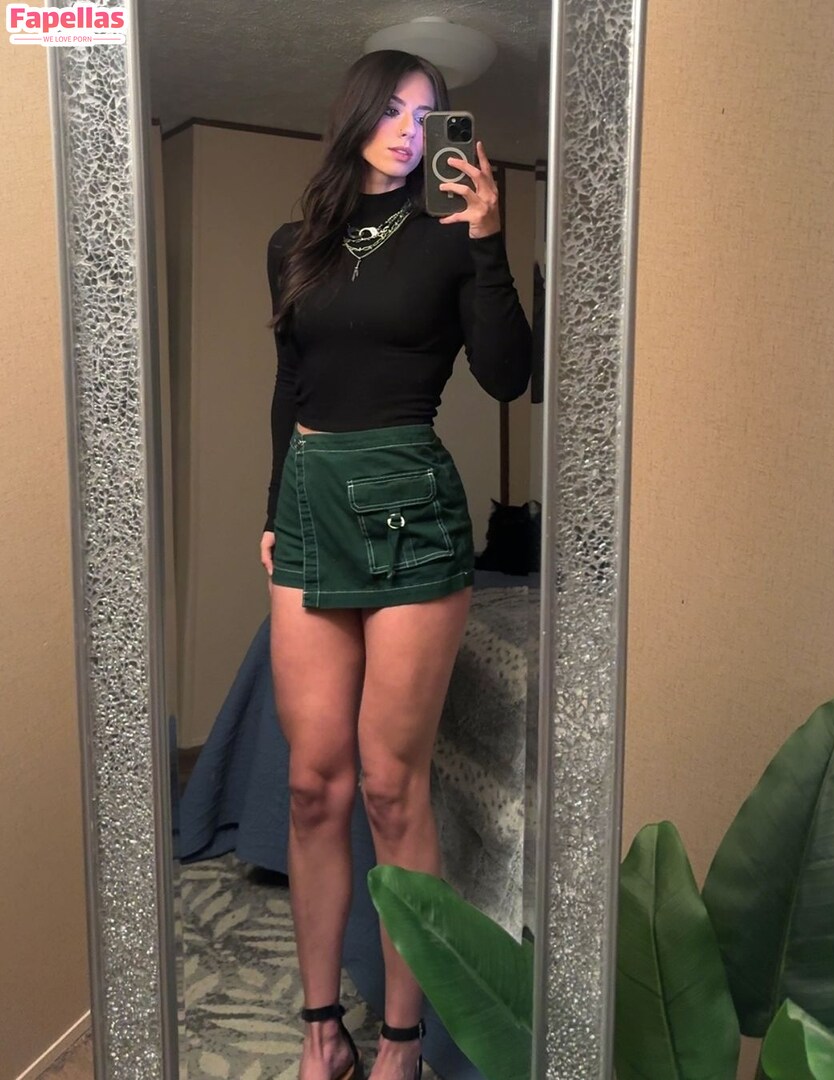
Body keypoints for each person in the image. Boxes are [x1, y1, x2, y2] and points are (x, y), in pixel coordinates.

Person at [260, 49, 532, 1080]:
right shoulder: (294, 244)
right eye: (395, 110)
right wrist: (273, 509)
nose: (412, 132)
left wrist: (490, 243)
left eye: (430, 117)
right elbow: (289, 384)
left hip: (412, 506)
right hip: (310, 500)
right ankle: (321, 1029)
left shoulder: (454, 239)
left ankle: (404, 1042)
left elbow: (507, 375)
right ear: (357, 113)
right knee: (312, 784)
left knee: (389, 787)